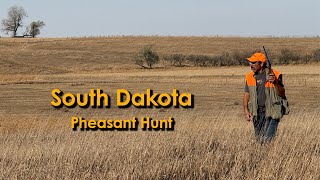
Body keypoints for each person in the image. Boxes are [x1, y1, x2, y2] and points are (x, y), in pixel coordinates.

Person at [243, 52, 288, 143]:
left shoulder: (275, 74)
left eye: (254, 62)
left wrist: (275, 82)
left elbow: (282, 93)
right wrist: (246, 110)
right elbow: (247, 94)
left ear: (262, 63)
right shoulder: (249, 77)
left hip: (272, 112)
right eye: (250, 62)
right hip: (257, 113)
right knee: (259, 141)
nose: (250, 64)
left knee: (268, 140)